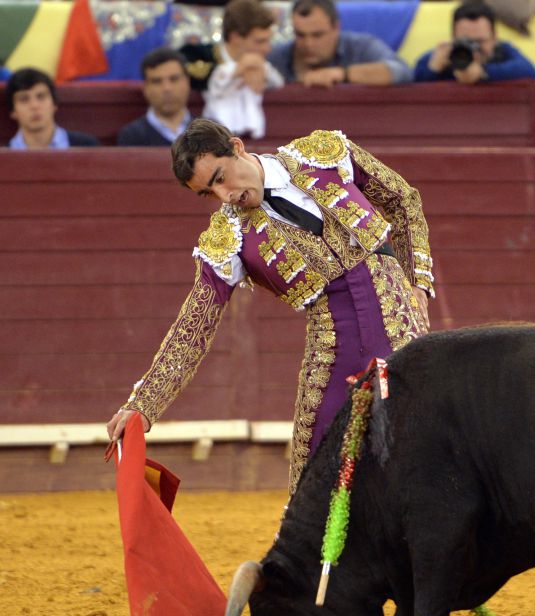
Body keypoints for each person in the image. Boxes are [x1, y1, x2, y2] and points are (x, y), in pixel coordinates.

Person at [106, 119, 433, 494]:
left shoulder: (324, 154)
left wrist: (417, 283)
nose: (224, 194)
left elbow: (403, 200)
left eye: (220, 176)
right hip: (333, 347)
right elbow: (194, 325)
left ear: (237, 147)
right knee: (312, 477)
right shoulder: (228, 238)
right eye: (209, 190)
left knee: (424, 453)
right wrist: (143, 404)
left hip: (400, 330)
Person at [268, 0, 412, 87]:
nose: (308, 44)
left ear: (336, 27)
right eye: (300, 35)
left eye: (317, 35)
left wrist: (344, 74)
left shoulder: (360, 46)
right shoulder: (277, 56)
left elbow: (402, 71)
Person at [202, 0, 285, 139]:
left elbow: (279, 83)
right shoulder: (203, 57)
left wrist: (260, 68)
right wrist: (238, 69)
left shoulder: (262, 65)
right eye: (259, 41)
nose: (267, 49)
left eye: (268, 41)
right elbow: (213, 83)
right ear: (235, 38)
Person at [413, 1, 535, 84]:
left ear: (494, 38)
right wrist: (433, 69)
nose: (474, 48)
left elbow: (529, 71)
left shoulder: (503, 50)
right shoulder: (448, 53)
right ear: (453, 38)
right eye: (466, 41)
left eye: (480, 41)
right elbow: (415, 80)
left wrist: (483, 72)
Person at [6, 68, 99, 149]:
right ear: (13, 111)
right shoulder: (3, 156)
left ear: (54, 104)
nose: (34, 106)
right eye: (24, 99)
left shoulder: (86, 146)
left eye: (41, 96)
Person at [117, 48, 194, 147]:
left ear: (188, 82)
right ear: (145, 88)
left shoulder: (210, 133)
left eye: (174, 79)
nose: (167, 88)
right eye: (157, 81)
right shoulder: (131, 137)